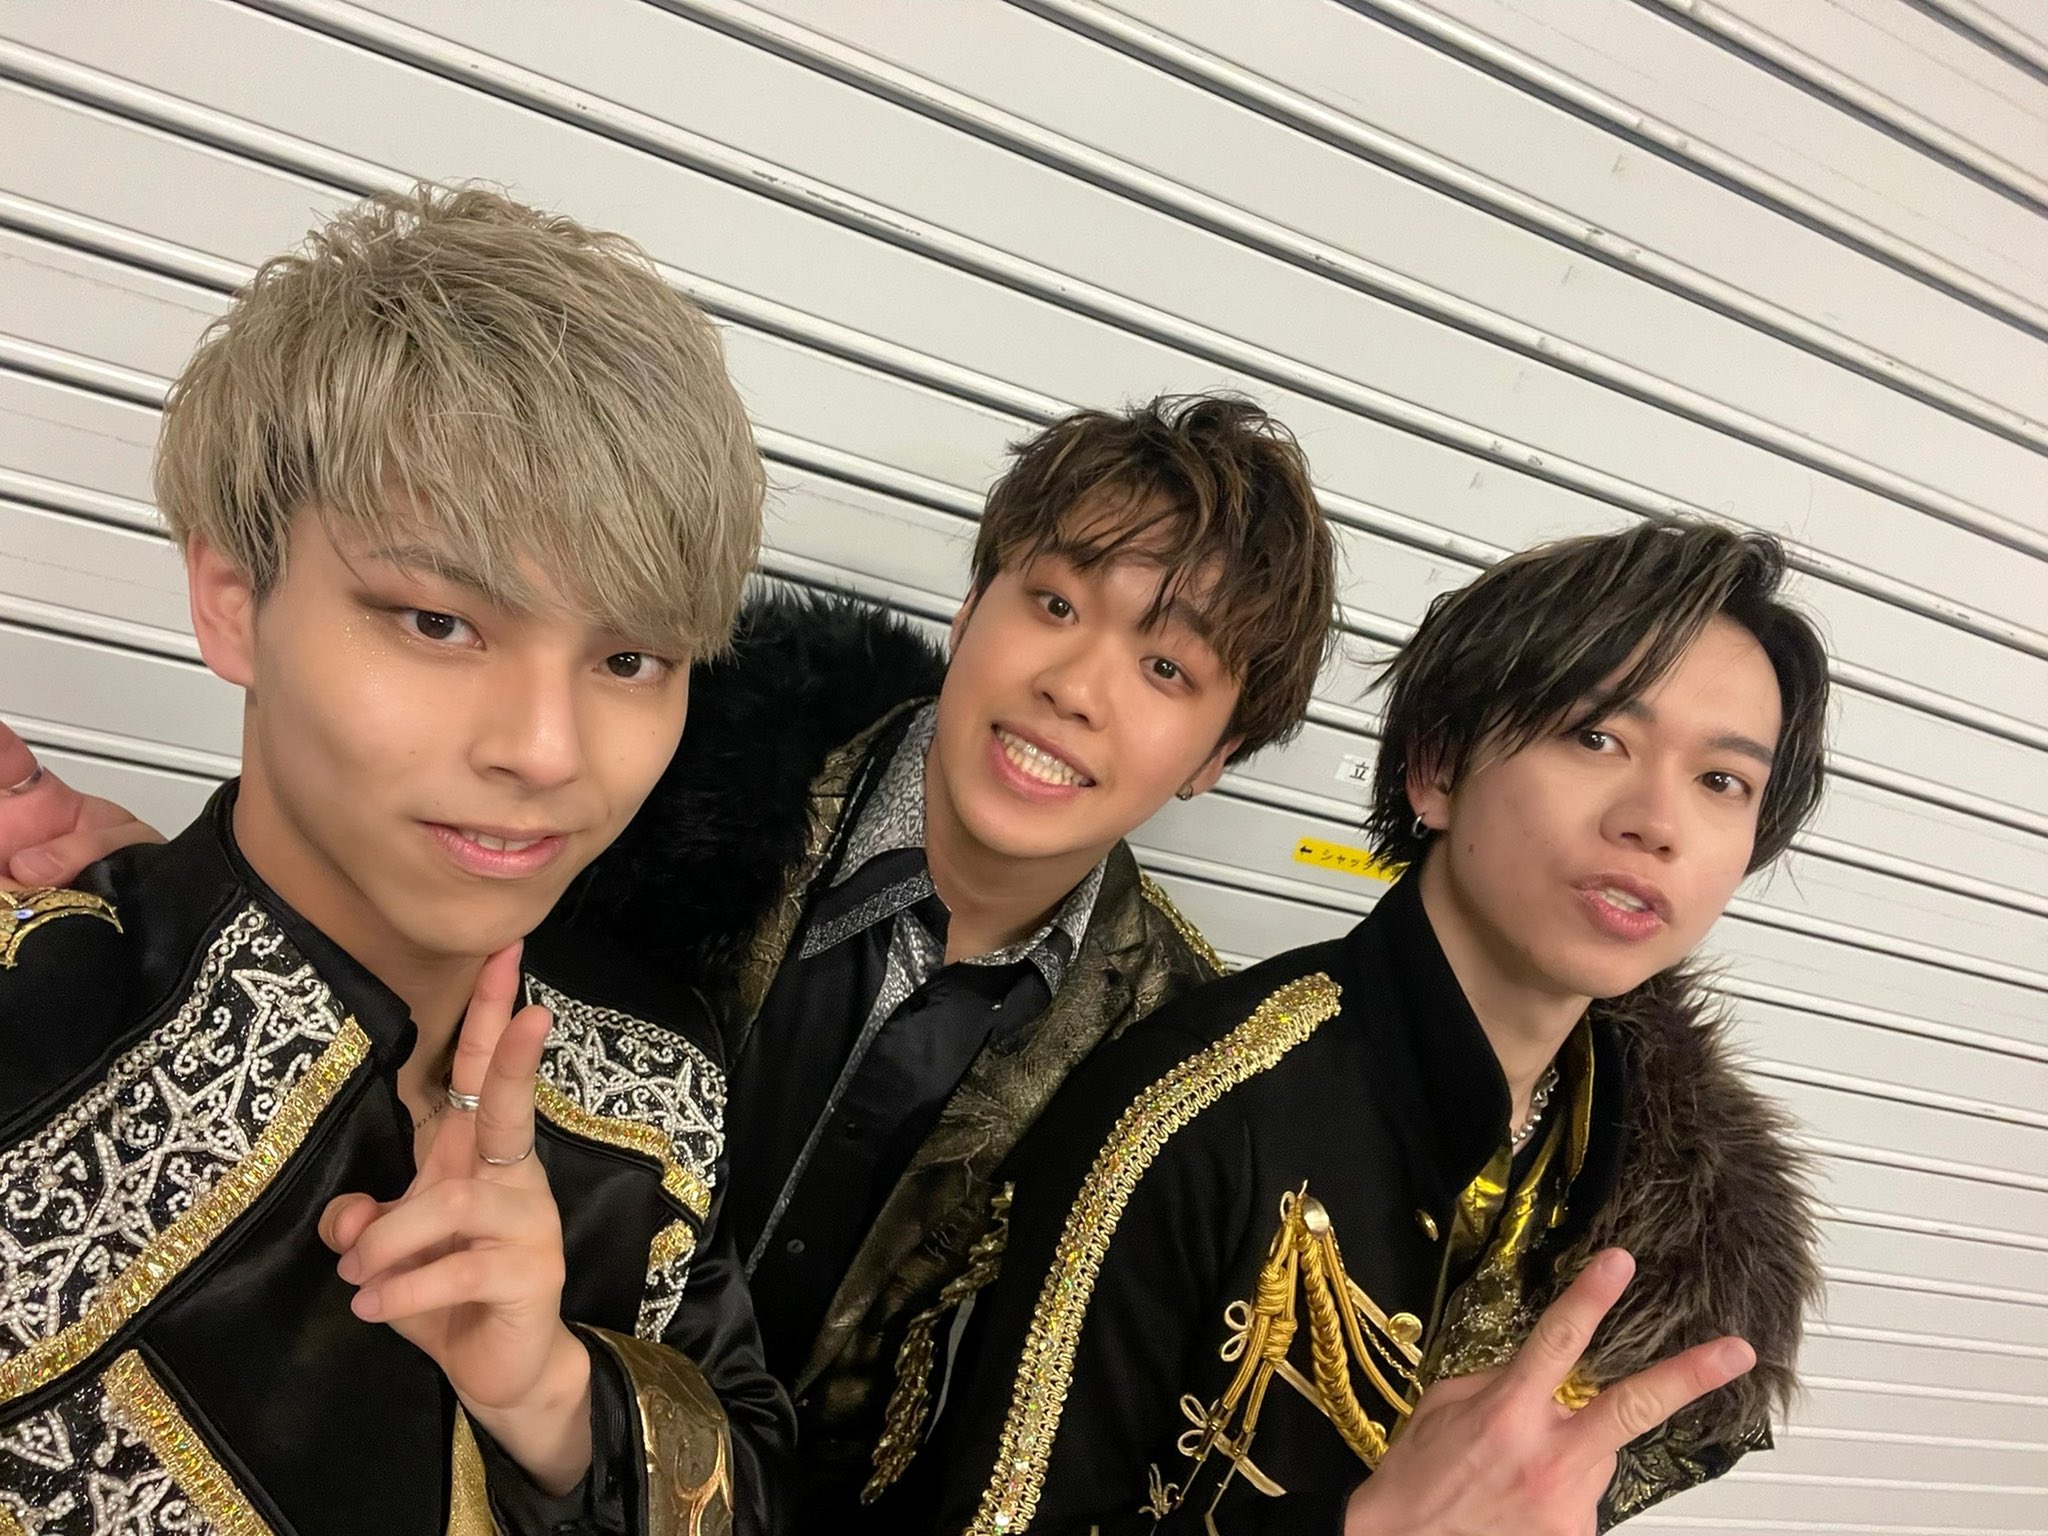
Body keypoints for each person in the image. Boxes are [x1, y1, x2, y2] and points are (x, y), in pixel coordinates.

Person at [0, 395, 1340, 1513]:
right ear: (974, 601)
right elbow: (393, 909)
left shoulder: (1179, 1075)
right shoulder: (655, 767)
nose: (1077, 684)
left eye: (1167, 671)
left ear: (1217, 756)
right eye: (1051, 602)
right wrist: (190, 920)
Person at [0, 184, 792, 1535]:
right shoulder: (32, 1045)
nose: (546, 749)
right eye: (436, 622)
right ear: (232, 599)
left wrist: (559, 1404)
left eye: (628, 658)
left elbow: (754, 1477)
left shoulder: (656, 1079)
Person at [903, 518, 1827, 1534]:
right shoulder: (1188, 1117)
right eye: (1595, 736)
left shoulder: (1673, 1210)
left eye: (1721, 781)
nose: (1656, 821)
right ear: (1437, 768)